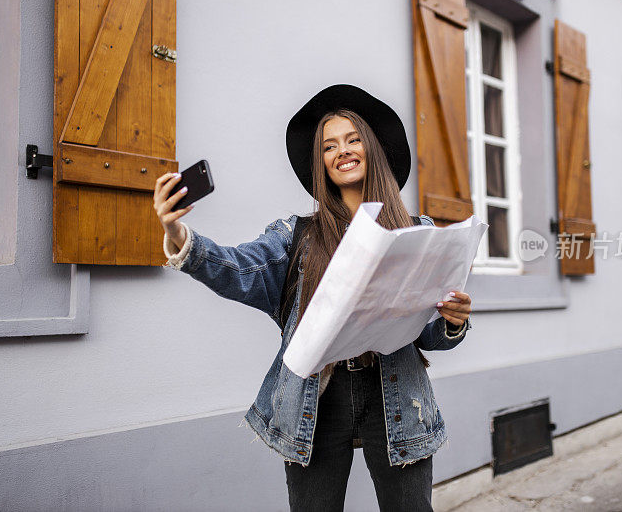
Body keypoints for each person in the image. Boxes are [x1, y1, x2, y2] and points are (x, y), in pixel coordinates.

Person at [153, 84, 472, 511]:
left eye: (353, 139)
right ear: (321, 163)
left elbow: (430, 334)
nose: (343, 150)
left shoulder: (417, 231)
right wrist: (179, 236)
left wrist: (452, 319)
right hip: (317, 399)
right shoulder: (296, 235)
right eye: (329, 146)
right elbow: (238, 268)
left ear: (372, 149)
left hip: (396, 393)